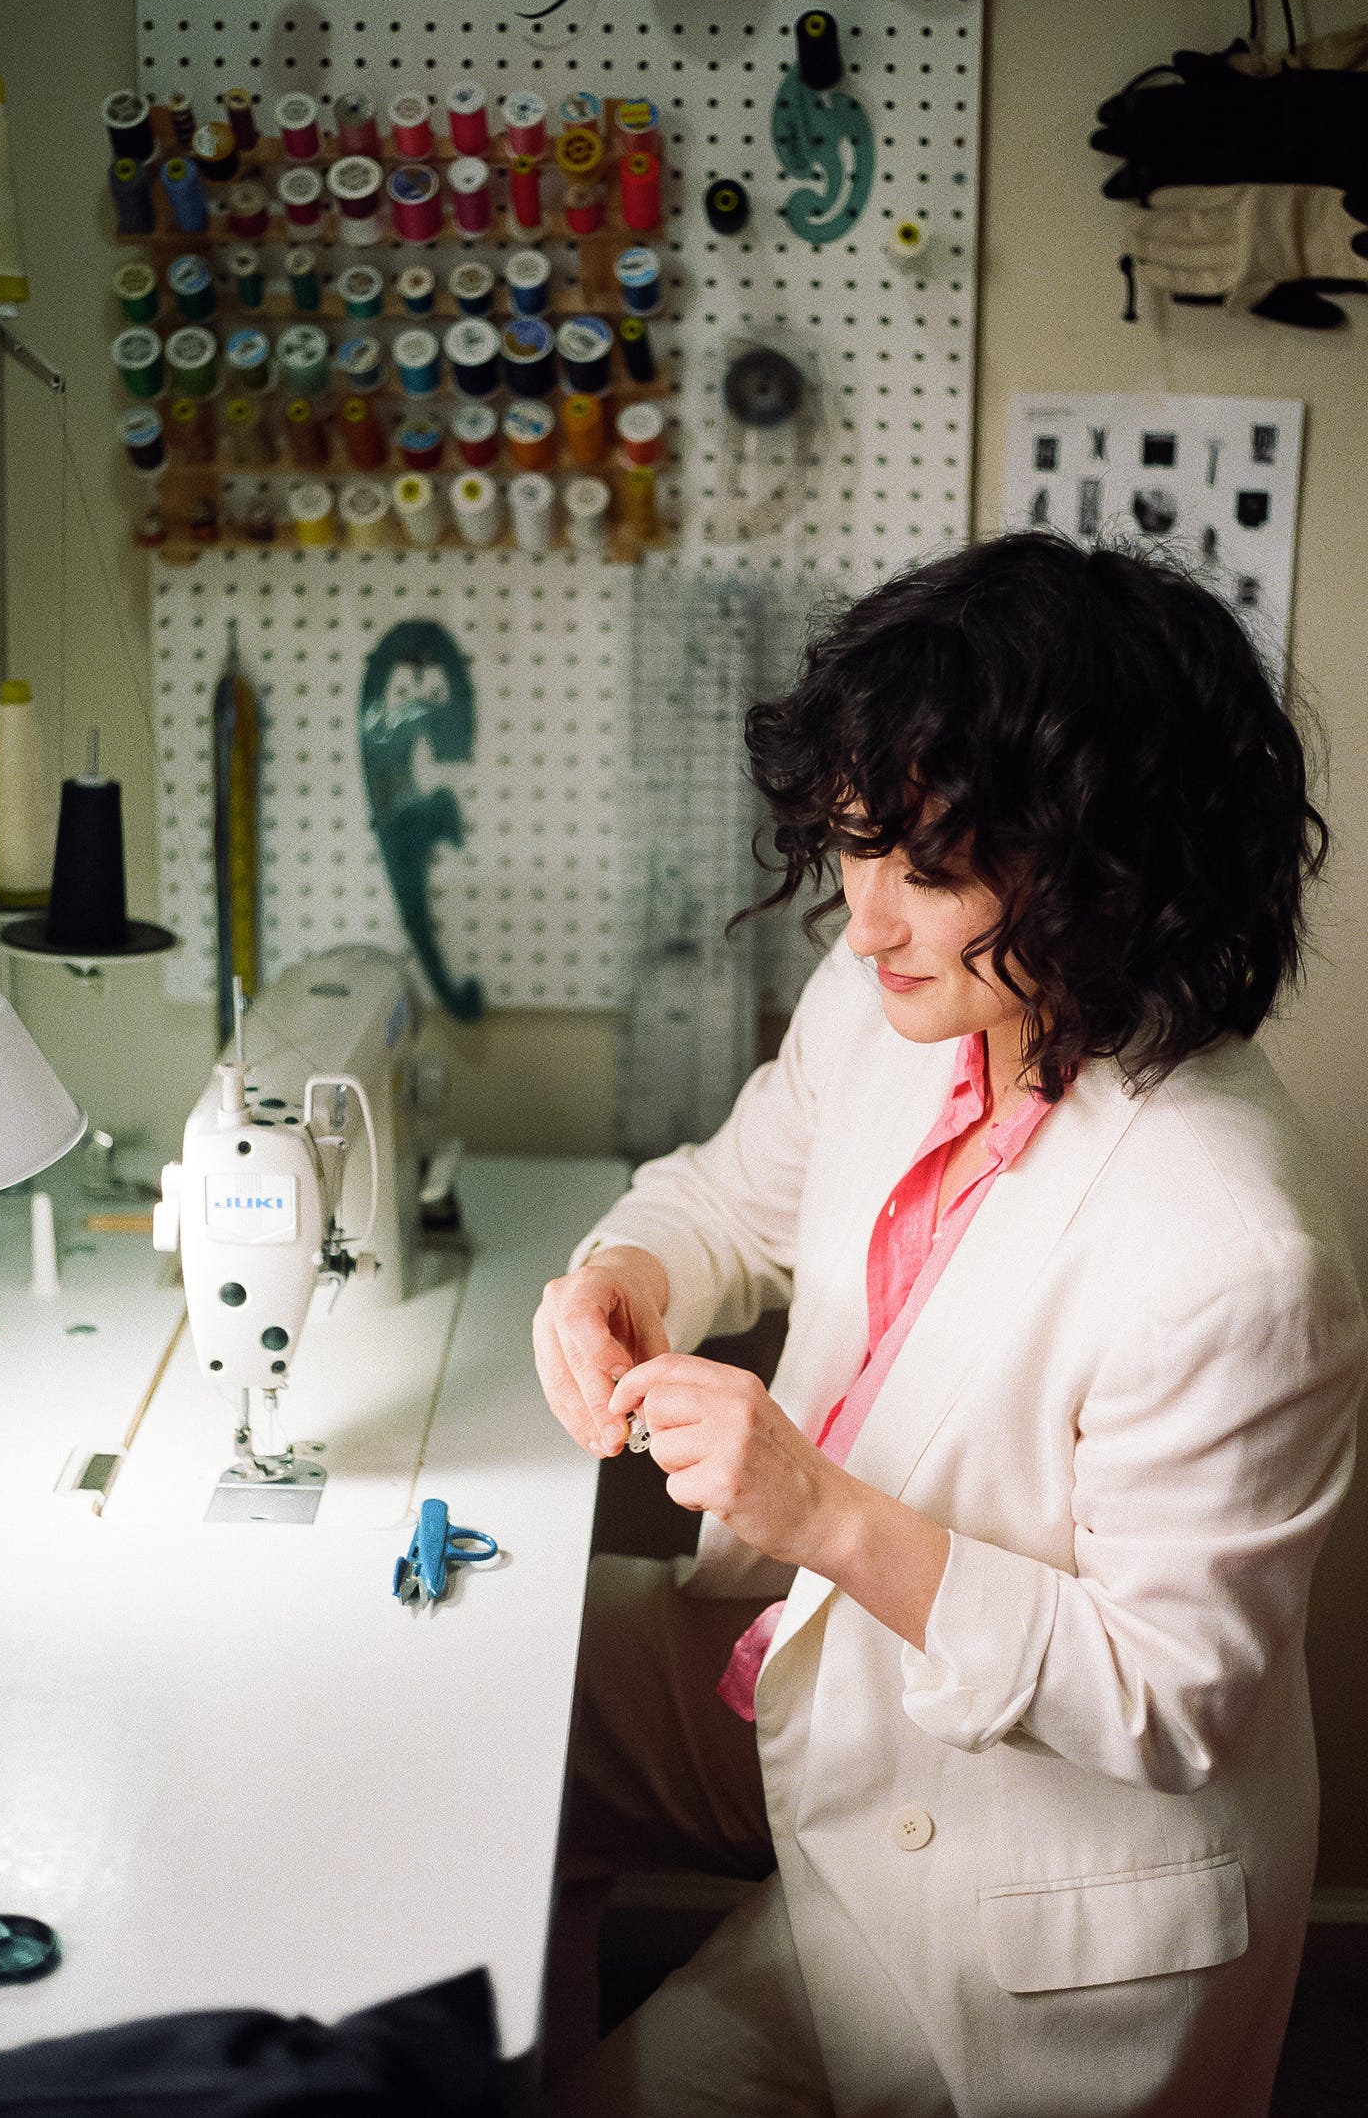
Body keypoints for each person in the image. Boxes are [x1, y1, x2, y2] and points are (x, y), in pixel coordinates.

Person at [531, 531, 1366, 2118]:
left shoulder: (1241, 1253)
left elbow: (1169, 1694)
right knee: (509, 1709)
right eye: (855, 847)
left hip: (1041, 1925)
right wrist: (621, 1278)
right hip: (840, 1724)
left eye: (930, 868)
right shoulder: (894, 1006)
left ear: (1116, 862)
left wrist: (818, 1512)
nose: (867, 921)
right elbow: (728, 1200)